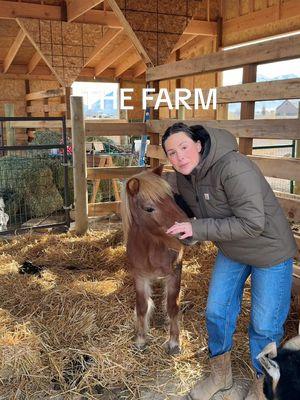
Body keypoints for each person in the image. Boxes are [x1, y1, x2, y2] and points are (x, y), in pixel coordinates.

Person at [162, 122, 297, 400]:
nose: (179, 157)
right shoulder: (186, 178)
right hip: (233, 249)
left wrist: (196, 228)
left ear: (198, 144)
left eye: (184, 147)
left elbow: (252, 223)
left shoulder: (233, 167)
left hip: (269, 251)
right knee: (216, 312)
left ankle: (264, 385)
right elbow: (198, 214)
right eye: (171, 153)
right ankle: (220, 375)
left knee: (264, 324)